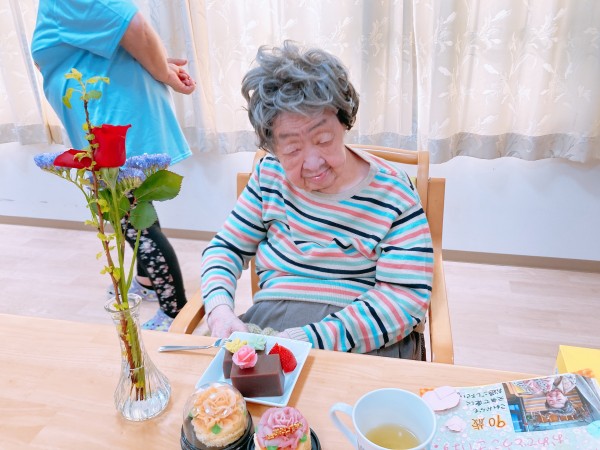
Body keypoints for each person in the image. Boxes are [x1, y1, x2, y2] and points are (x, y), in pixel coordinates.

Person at [201, 41, 433, 359]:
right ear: (273, 148)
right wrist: (219, 311)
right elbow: (225, 249)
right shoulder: (269, 175)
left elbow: (403, 299)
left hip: (367, 335)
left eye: (323, 140)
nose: (312, 164)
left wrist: (307, 339)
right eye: (292, 150)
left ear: (344, 122)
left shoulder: (393, 191)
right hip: (274, 325)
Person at [31, 0, 195, 331]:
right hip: (112, 114)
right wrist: (159, 64)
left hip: (113, 119)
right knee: (136, 208)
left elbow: (135, 28)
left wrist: (162, 71)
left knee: (131, 217)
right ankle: (149, 283)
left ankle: (175, 312)